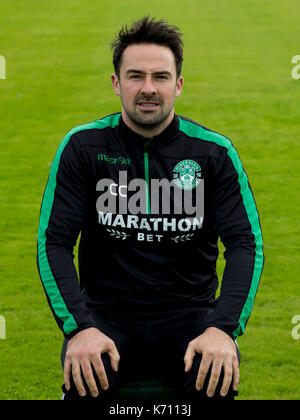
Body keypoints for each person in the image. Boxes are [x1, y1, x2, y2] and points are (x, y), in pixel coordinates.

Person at [36, 16, 264, 403]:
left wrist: (223, 330)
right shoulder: (82, 147)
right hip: (105, 316)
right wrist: (79, 329)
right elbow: (53, 243)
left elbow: (245, 245)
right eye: (135, 76)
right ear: (116, 83)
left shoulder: (214, 153)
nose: (148, 89)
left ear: (178, 84)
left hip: (190, 315)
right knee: (85, 380)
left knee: (216, 381)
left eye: (160, 77)